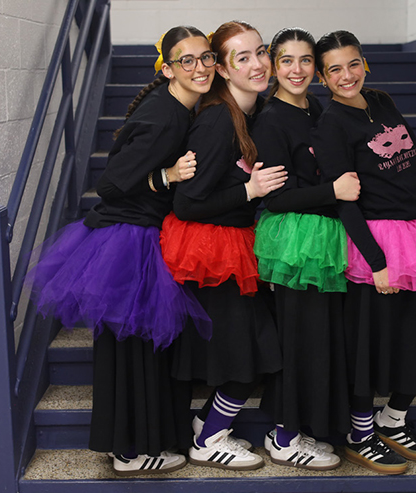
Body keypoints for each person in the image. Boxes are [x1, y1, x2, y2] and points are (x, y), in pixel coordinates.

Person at [26, 25, 216, 476]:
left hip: (137, 232)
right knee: (131, 349)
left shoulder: (176, 107)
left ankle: (130, 446)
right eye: (187, 60)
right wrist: (167, 176)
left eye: (206, 57)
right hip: (129, 238)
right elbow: (110, 184)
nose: (200, 67)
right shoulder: (165, 117)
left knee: (134, 347)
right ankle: (129, 452)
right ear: (168, 68)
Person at [311, 30, 416, 475]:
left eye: (353, 64)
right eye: (335, 70)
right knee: (373, 343)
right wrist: (377, 262)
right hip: (379, 242)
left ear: (364, 63)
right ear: (323, 78)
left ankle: (392, 419)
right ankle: (359, 434)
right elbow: (345, 202)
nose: (347, 76)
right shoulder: (331, 124)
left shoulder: (380, 100)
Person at [160, 20, 287, 471]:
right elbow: (187, 203)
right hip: (211, 252)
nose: (258, 64)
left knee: (257, 350)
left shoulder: (256, 111)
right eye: (242, 57)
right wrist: (249, 192)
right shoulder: (217, 121)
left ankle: (208, 428)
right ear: (224, 69)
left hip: (237, 245)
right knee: (250, 354)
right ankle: (208, 438)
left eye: (261, 52)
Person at [251, 27, 359, 471]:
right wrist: (333, 190)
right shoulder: (271, 119)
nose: (297, 70)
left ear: (316, 67)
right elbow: (276, 198)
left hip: (325, 233)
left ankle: (300, 427)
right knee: (299, 338)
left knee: (320, 338)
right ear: (274, 66)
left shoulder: (316, 107)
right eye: (287, 61)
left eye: (306, 60)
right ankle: (282, 437)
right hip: (296, 240)